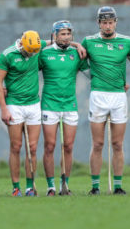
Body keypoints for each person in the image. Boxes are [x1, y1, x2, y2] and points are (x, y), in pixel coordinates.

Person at [81, 6, 130, 195]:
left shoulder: (127, 42)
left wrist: (127, 81)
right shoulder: (88, 42)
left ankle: (118, 185)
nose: (107, 25)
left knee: (118, 144)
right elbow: (81, 63)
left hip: (119, 97)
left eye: (110, 22)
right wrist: (94, 77)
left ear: (116, 22)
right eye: (104, 22)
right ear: (98, 23)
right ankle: (95, 186)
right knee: (97, 144)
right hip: (98, 96)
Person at [39, 20, 87, 196]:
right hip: (49, 105)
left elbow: (91, 75)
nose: (66, 38)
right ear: (54, 35)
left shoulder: (76, 54)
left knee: (68, 146)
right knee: (50, 146)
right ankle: (51, 186)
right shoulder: (44, 54)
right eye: (62, 34)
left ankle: (64, 185)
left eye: (69, 34)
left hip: (70, 105)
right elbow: (28, 72)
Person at [0, 30, 42, 197]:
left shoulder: (37, 47)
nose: (32, 54)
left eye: (34, 51)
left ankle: (30, 187)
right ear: (22, 43)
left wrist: (76, 44)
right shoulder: (8, 55)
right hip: (14, 105)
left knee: (33, 148)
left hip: (34, 105)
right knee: (16, 147)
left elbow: (55, 43)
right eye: (29, 50)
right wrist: (4, 108)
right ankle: (16, 187)